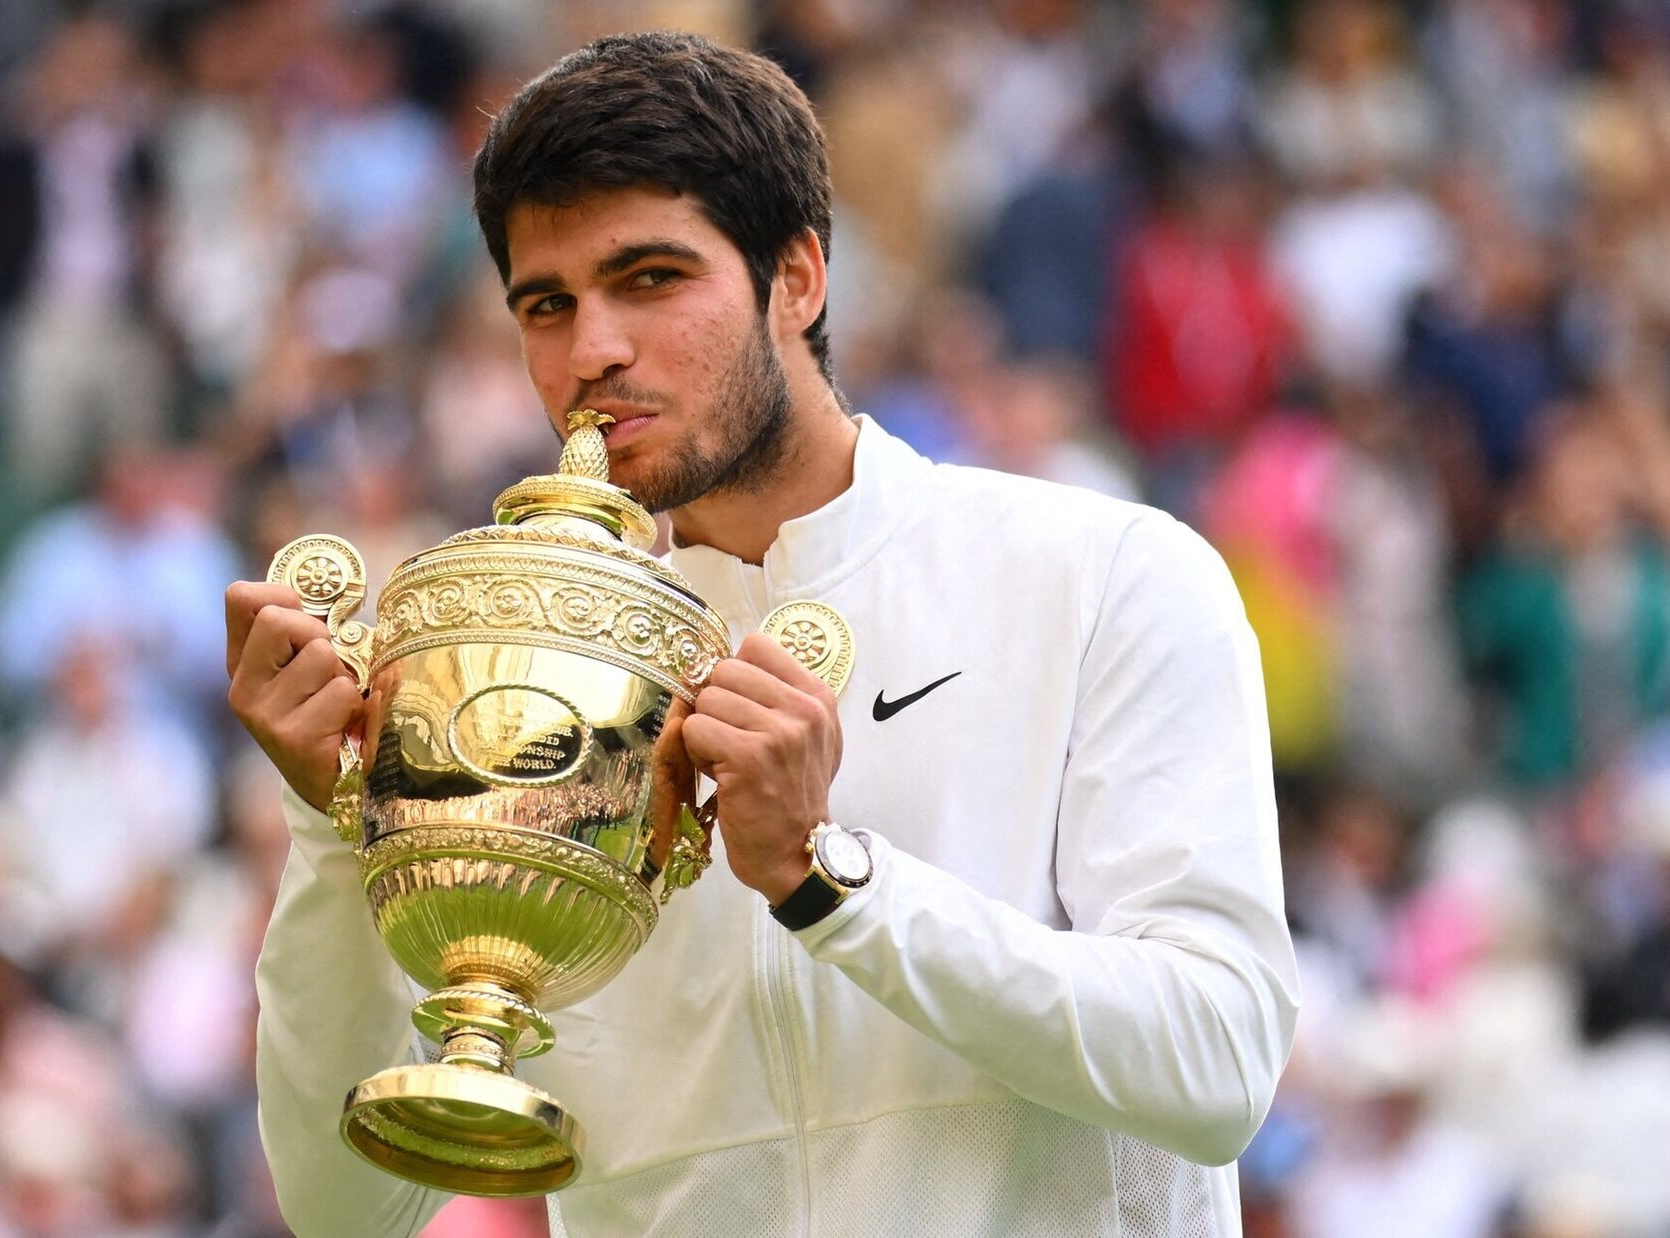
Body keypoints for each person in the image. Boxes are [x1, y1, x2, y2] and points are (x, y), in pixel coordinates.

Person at [225, 31, 1298, 1237]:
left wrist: (828, 880)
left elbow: (1215, 1065)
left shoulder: (1101, 574)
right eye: (546, 303)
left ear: (797, 278)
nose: (592, 353)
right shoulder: (503, 672)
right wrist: (333, 826)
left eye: (649, 278)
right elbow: (342, 1206)